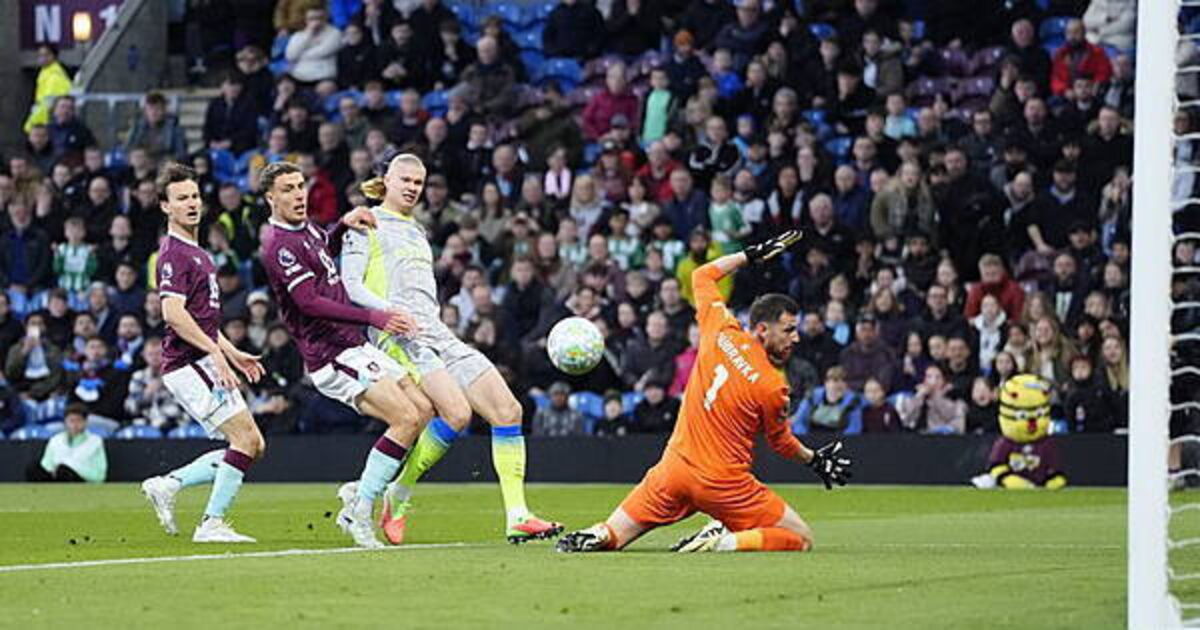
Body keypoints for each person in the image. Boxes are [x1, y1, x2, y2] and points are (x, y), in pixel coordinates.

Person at [557, 231, 853, 554]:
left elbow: (702, 275)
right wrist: (813, 459)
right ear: (762, 329)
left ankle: (601, 532)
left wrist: (749, 255)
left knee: (615, 534)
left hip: (673, 469)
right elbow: (780, 442)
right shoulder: (773, 385)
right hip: (722, 484)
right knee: (800, 538)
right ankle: (721, 540)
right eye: (789, 330)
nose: (795, 338)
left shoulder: (719, 329)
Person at [339, 153, 563, 545]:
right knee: (456, 413)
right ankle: (398, 493)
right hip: (397, 333)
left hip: (436, 331)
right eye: (405, 180)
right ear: (386, 180)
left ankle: (517, 516)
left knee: (508, 410)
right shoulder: (365, 222)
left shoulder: (417, 231)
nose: (412, 187)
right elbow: (351, 285)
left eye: (419, 182)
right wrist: (387, 313)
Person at [256, 160, 426, 548]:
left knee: (423, 410)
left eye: (300, 186)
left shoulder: (308, 229)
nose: (298, 195)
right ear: (270, 197)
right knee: (404, 418)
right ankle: (359, 510)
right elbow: (309, 302)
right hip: (331, 354)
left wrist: (341, 227)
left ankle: (362, 489)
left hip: (353, 344)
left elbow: (323, 256)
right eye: (287, 189)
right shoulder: (278, 246)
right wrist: (374, 316)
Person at [137, 163, 270, 543]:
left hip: (202, 358)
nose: (192, 203)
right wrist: (215, 354)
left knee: (254, 445)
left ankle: (169, 484)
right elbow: (173, 314)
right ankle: (211, 523)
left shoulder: (200, 254)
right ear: (165, 206)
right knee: (245, 441)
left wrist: (232, 352)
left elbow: (202, 320)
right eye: (181, 198)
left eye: (194, 196)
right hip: (187, 363)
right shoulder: (173, 253)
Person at [26, 404, 107, 483]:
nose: (75, 425)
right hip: (56, 478)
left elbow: (100, 475)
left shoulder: (95, 441)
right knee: (33, 468)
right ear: (65, 422)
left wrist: (73, 467)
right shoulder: (55, 440)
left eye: (79, 420)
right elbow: (47, 466)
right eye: (71, 421)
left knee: (63, 471)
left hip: (80, 480)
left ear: (85, 422)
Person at [24, 45, 72, 134]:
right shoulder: (45, 74)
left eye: (46, 55)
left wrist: (33, 122)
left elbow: (48, 103)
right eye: (40, 55)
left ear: (54, 56)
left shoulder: (55, 77)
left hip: (47, 125)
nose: (42, 58)